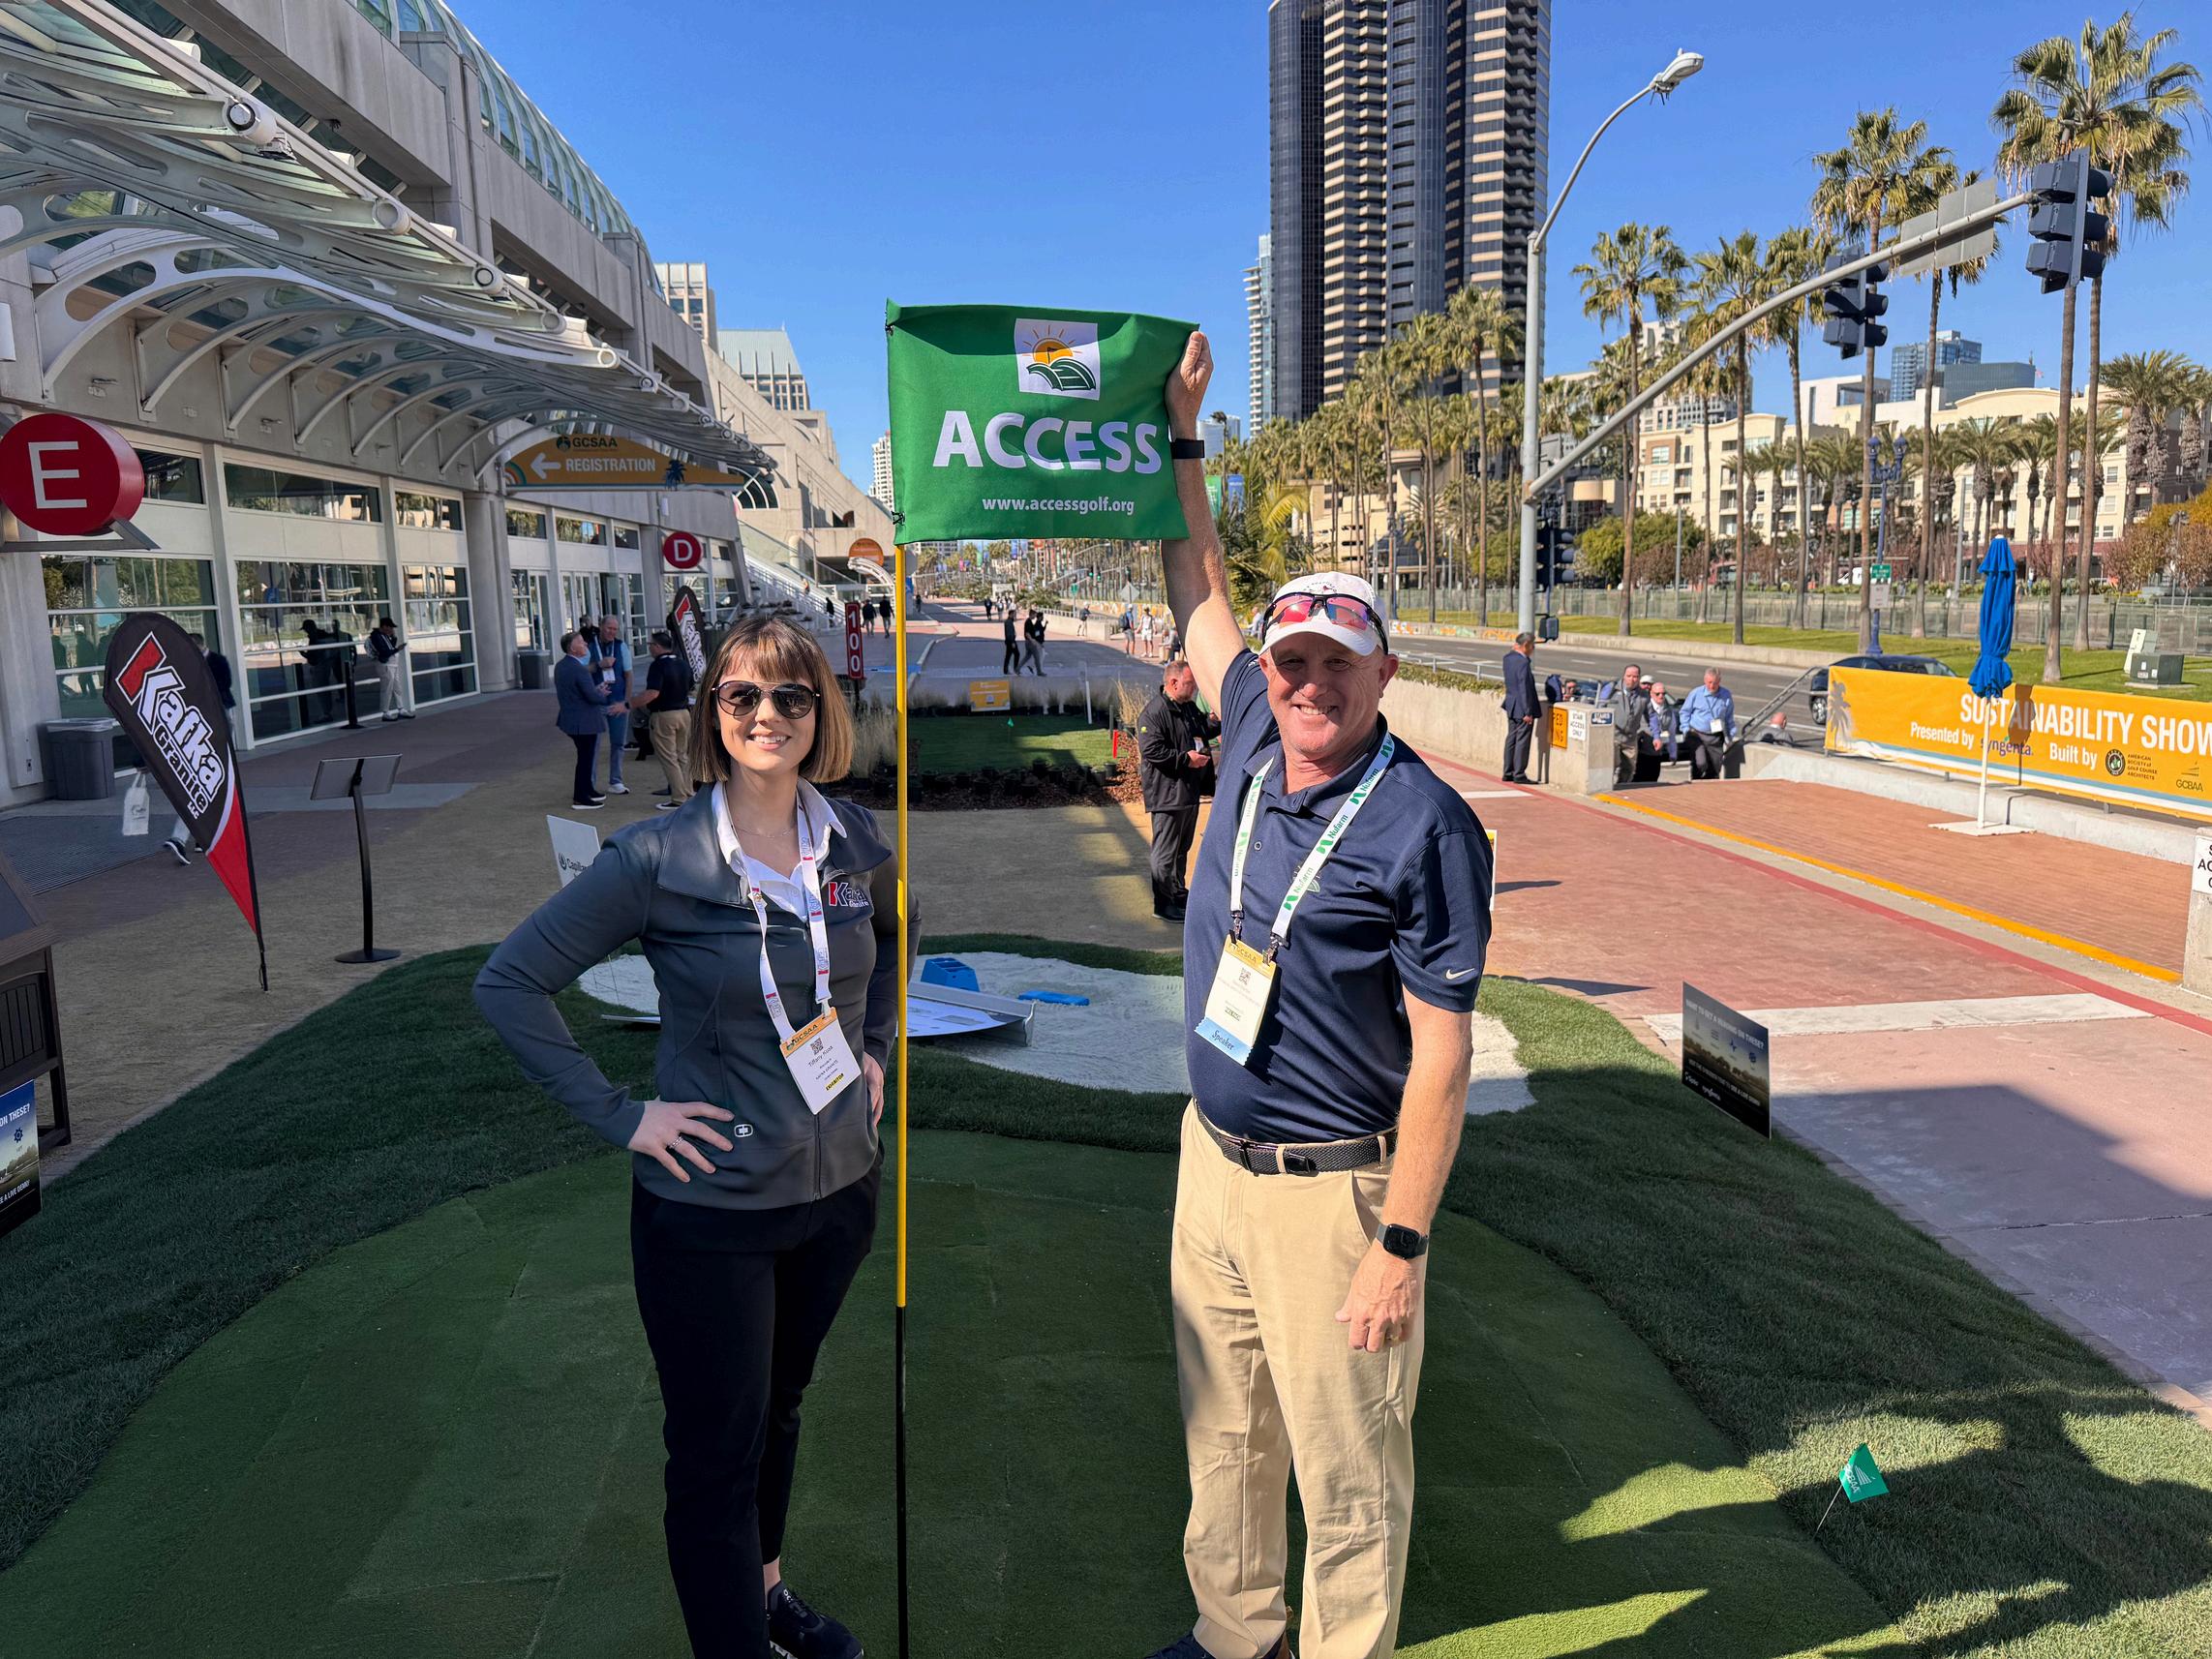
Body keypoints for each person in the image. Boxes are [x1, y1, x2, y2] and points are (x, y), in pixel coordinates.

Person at [1145, 330, 1492, 1659]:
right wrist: (1185, 436)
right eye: (1292, 658)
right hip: (1213, 1161)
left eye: (1336, 661)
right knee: (1222, 1435)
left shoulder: (1423, 824)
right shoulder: (1245, 721)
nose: (1306, 681)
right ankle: (1237, 1634)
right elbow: (1198, 580)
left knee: (1346, 1471)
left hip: (1335, 1190)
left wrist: (1399, 1244)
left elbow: (1444, 1054)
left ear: (1382, 672)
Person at [477, 615, 902, 1659]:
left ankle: (764, 1593)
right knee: (717, 1448)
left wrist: (874, 1045)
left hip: (838, 1194)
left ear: (820, 713)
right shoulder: (655, 856)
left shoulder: (856, 839)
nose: (767, 715)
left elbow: (892, 939)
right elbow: (510, 983)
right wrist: (625, 1115)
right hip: (711, 1210)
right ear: (713, 712)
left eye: (791, 696)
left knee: (780, 1407)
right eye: (742, 695)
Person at [1136, 659, 1216, 920]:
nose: (1194, 689)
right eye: (1190, 684)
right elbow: (1152, 750)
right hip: (1168, 795)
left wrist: (1216, 720)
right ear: (1173, 682)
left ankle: (1178, 893)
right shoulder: (1154, 713)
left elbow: (1203, 730)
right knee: (1165, 852)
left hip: (1188, 792)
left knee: (1182, 848)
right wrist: (1186, 760)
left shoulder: (1188, 708)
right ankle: (1162, 904)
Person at [163, 631, 237, 865]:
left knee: (208, 787)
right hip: (198, 728)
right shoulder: (185, 665)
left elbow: (224, 685)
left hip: (213, 721)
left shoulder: (217, 661)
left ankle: (194, 838)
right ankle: (189, 838)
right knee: (202, 788)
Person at [629, 629, 696, 810]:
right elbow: (691, 687)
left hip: (664, 715)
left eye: (651, 645)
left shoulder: (658, 666)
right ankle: (689, 792)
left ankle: (679, 798)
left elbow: (652, 693)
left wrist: (630, 704)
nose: (649, 648)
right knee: (683, 756)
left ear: (657, 646)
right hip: (684, 713)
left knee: (669, 758)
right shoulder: (682, 663)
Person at [554, 630, 618, 809]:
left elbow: (577, 692)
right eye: (581, 642)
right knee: (585, 758)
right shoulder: (579, 669)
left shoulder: (561, 666)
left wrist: (595, 691)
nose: (585, 645)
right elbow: (591, 697)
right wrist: (601, 694)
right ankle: (581, 796)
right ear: (572, 648)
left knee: (585, 757)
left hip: (572, 718)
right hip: (584, 721)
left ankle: (587, 790)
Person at [589, 616, 635, 796]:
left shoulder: (621, 646)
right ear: (601, 626)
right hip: (596, 704)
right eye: (609, 628)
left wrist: (626, 702)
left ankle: (616, 781)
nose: (612, 632)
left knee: (618, 743)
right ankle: (590, 783)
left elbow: (629, 675)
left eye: (615, 629)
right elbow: (581, 671)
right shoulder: (589, 646)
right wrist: (598, 665)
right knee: (593, 745)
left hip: (618, 702)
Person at [1679, 667, 1737, 780]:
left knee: (1715, 768)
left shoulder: (1726, 695)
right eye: (1709, 682)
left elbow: (1729, 717)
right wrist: (1685, 729)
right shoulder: (1696, 693)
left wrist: (1730, 735)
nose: (1712, 686)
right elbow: (1684, 712)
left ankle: (1707, 786)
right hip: (1697, 734)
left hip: (1715, 736)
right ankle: (1695, 782)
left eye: (1715, 683)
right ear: (1705, 680)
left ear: (1719, 681)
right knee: (1700, 763)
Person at [1501, 630, 1538, 783]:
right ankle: (1519, 774)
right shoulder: (1523, 662)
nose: (1533, 649)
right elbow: (1524, 687)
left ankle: (1508, 772)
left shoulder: (1508, 658)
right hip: (1522, 708)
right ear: (1526, 645)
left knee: (1511, 738)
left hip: (1511, 705)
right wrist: (1527, 711)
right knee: (1522, 741)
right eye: (1533, 646)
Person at [1605, 664, 1651, 789]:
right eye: (1629, 676)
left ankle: (1622, 788)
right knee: (1611, 764)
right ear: (1624, 676)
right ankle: (1606, 787)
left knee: (1629, 768)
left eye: (1635, 677)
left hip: (1630, 738)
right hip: (1613, 735)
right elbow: (1599, 707)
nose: (1632, 679)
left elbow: (1651, 715)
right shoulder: (1612, 689)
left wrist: (1656, 735)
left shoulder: (1643, 695)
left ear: (1639, 678)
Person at [364, 616, 411, 723]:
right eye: (390, 627)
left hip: (393, 664)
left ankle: (400, 708)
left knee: (397, 687)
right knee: (387, 688)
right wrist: (397, 649)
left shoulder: (385, 636)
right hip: (386, 665)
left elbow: (390, 647)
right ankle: (385, 712)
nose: (391, 629)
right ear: (384, 626)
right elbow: (384, 652)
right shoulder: (376, 637)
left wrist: (393, 637)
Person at [1644, 679, 1679, 766]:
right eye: (1657, 694)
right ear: (1651, 694)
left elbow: (1672, 735)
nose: (1661, 696)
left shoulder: (1669, 712)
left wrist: (1673, 754)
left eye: (1663, 694)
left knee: (1655, 771)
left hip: (1658, 750)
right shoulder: (1645, 708)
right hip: (1643, 749)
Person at [1022, 608, 1046, 676]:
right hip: (1035, 642)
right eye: (1042, 617)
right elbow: (1036, 634)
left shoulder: (1037, 623)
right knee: (1039, 656)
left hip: (1035, 642)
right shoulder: (1036, 624)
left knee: (1032, 656)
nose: (1043, 618)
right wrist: (1038, 642)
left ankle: (1032, 667)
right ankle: (1037, 670)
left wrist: (1045, 625)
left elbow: (1041, 631)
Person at [1001, 605, 1021, 675]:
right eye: (1014, 614)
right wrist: (1012, 642)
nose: (1014, 616)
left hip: (1009, 641)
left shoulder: (1009, 621)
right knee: (1016, 654)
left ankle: (1006, 670)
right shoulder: (1009, 622)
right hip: (1011, 641)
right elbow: (1009, 633)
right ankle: (1015, 669)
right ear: (1010, 614)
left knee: (1009, 655)